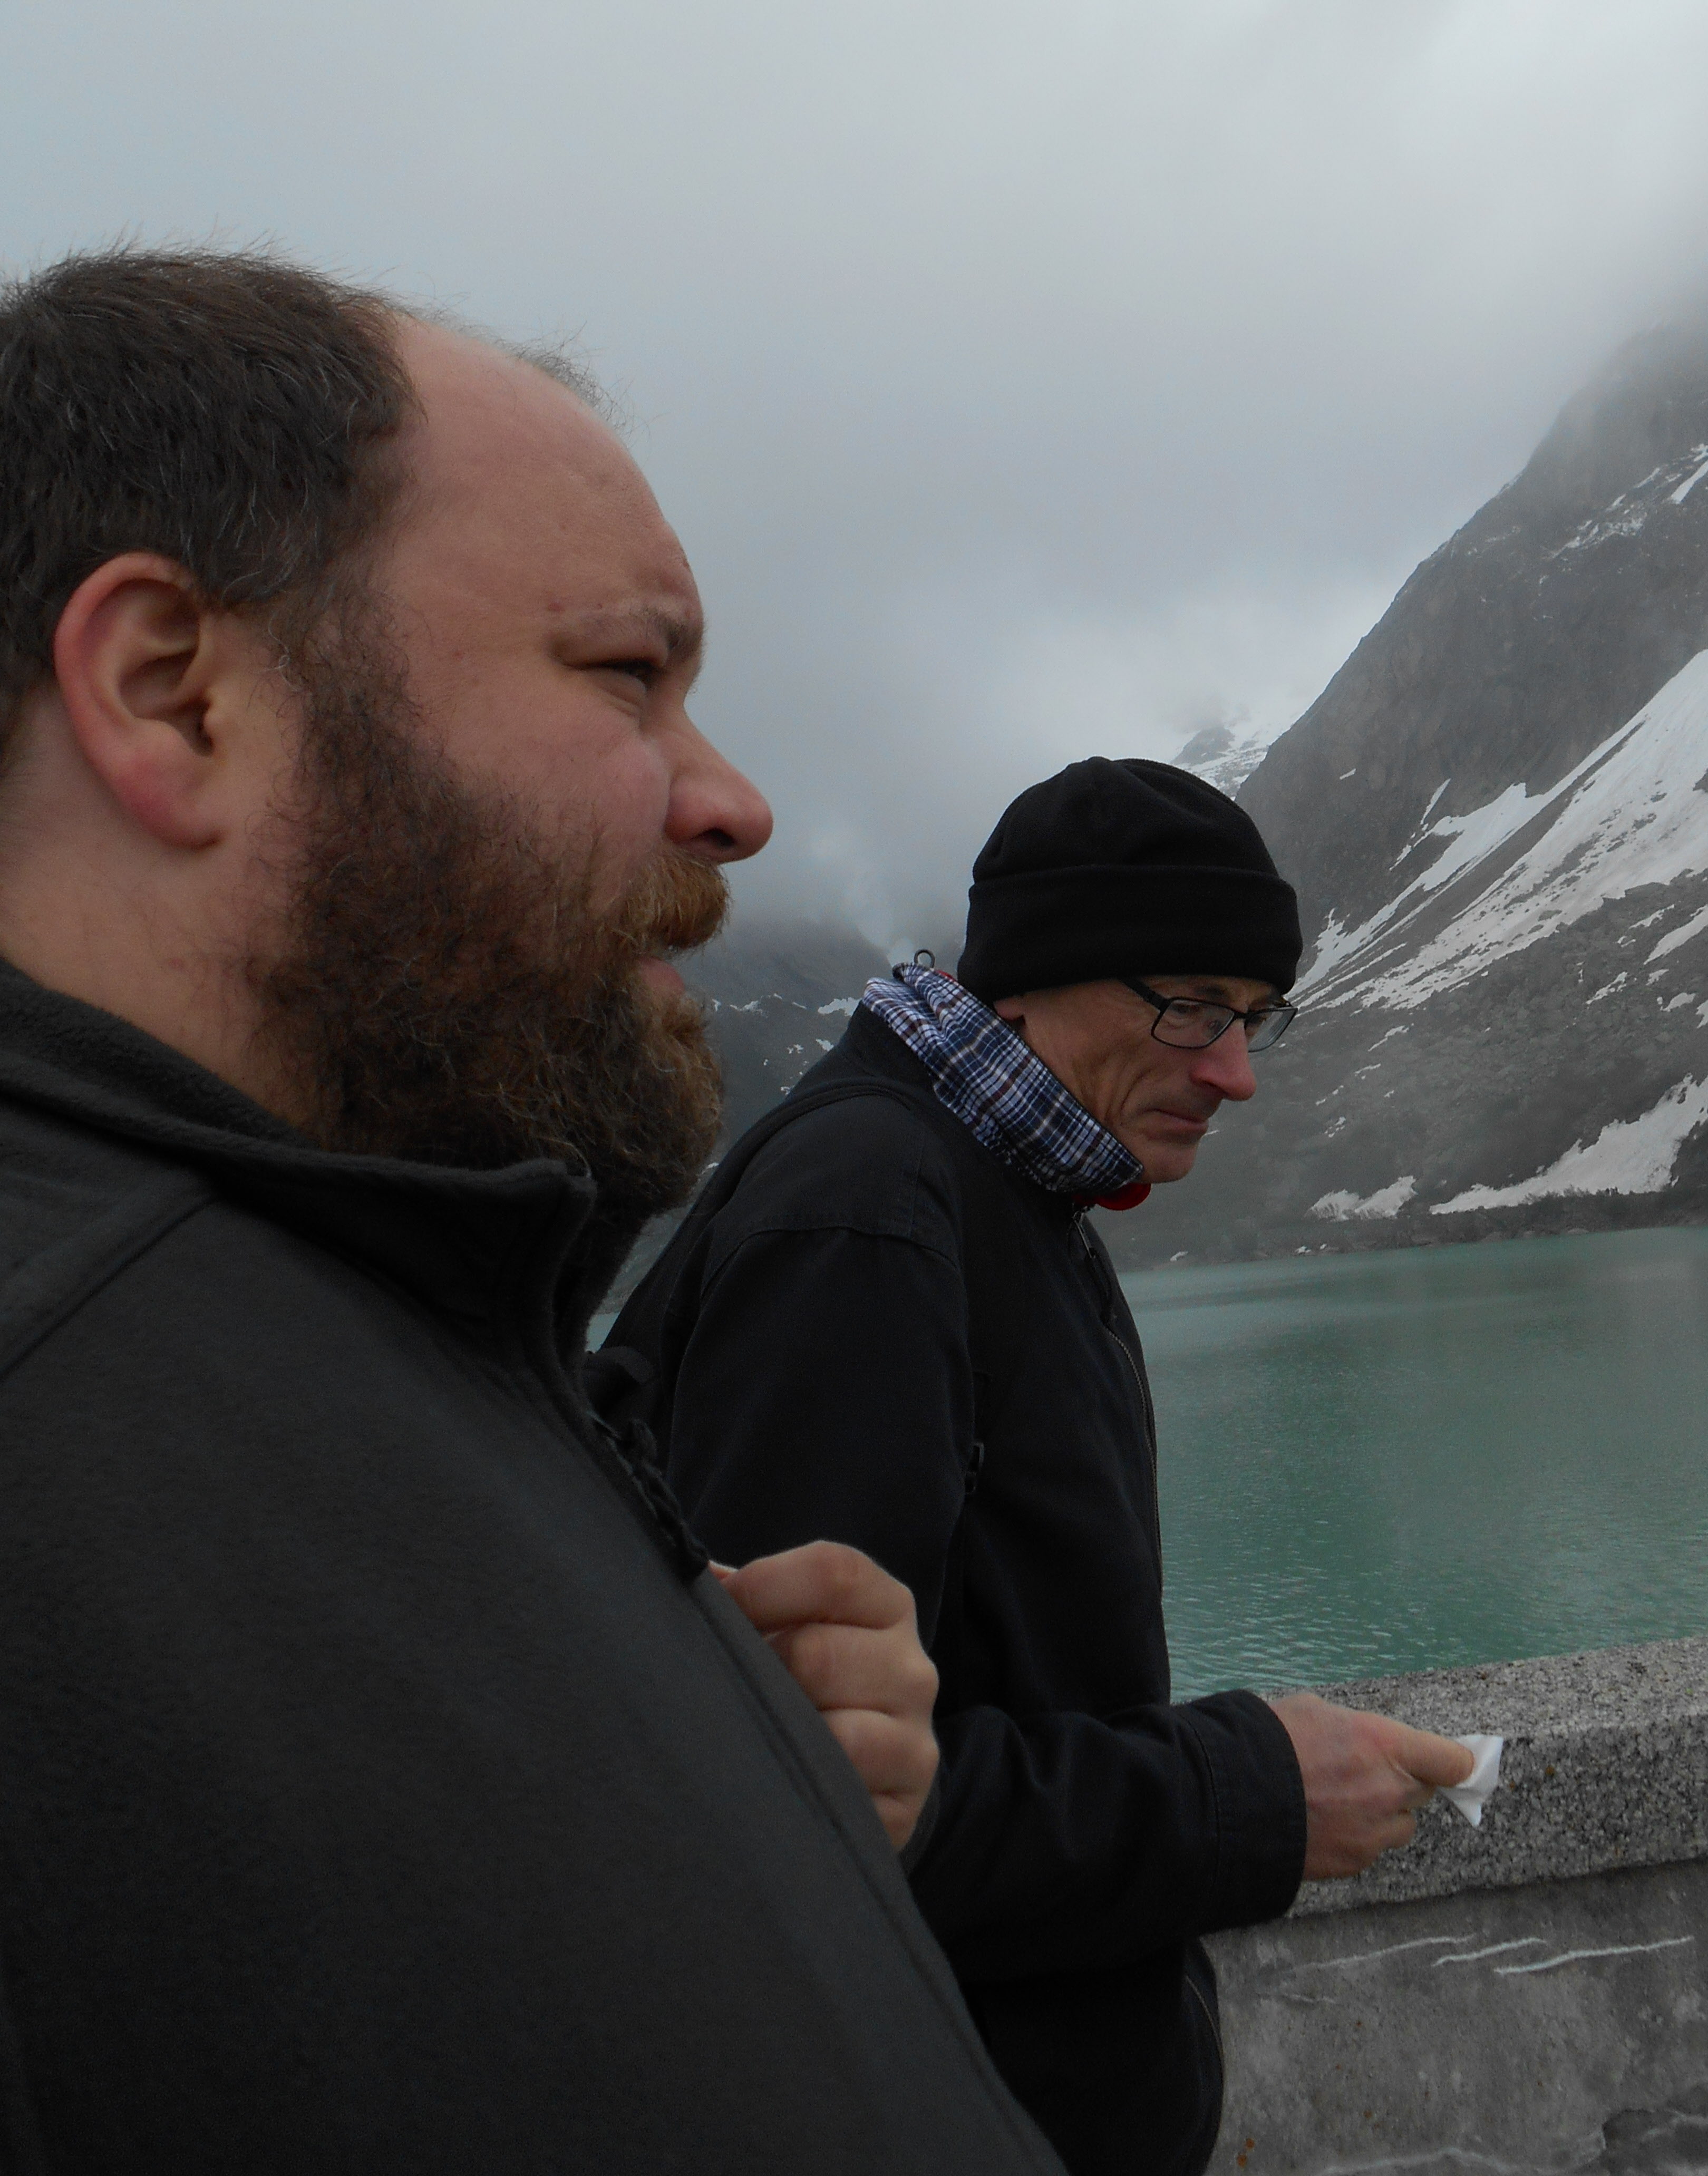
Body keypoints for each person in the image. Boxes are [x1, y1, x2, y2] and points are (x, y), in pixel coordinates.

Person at [0, 249, 1063, 2174]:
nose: (735, 804)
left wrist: (718, 1766)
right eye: (627, 673)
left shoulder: (393, 1305)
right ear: (174, 697)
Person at [596, 757, 1474, 2176]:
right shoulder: (871, 1216)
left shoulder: (1000, 1186)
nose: (1236, 1072)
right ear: (1034, 979)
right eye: (1194, 1008)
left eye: (1256, 1018)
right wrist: (1250, 1795)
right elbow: (795, 1801)